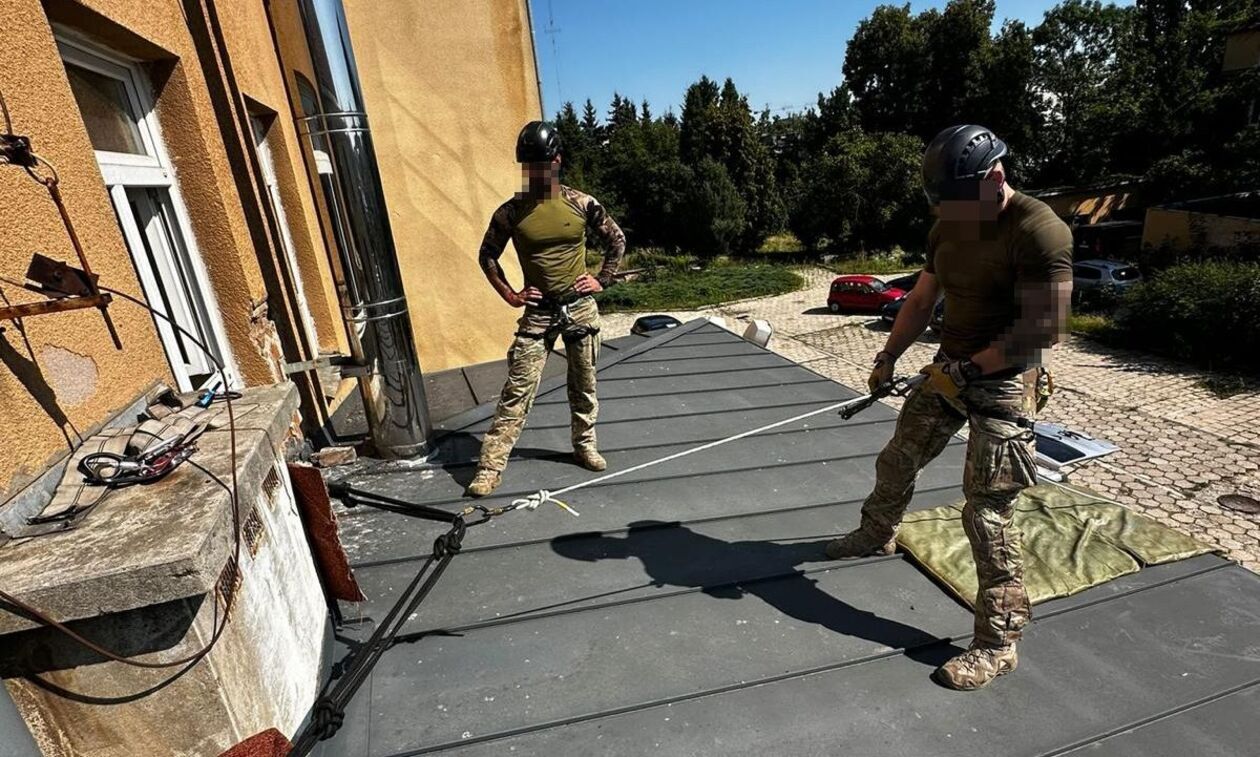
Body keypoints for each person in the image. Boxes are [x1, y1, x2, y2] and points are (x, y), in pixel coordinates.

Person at [825, 125, 1072, 691]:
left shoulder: (1038, 230)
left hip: (1005, 381)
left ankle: (998, 642)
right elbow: (920, 299)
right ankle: (877, 532)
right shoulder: (948, 224)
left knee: (987, 514)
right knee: (898, 458)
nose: (953, 215)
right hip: (949, 368)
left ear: (995, 177)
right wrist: (888, 355)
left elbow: (1045, 329)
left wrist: (968, 370)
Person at [465, 121, 626, 497]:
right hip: (538, 313)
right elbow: (487, 255)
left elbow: (616, 240)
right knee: (517, 389)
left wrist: (602, 279)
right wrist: (511, 295)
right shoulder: (511, 212)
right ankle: (490, 467)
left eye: (541, 166)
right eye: (528, 167)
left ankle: (584, 445)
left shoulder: (582, 203)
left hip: (579, 308)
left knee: (584, 384)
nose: (535, 174)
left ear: (556, 161)